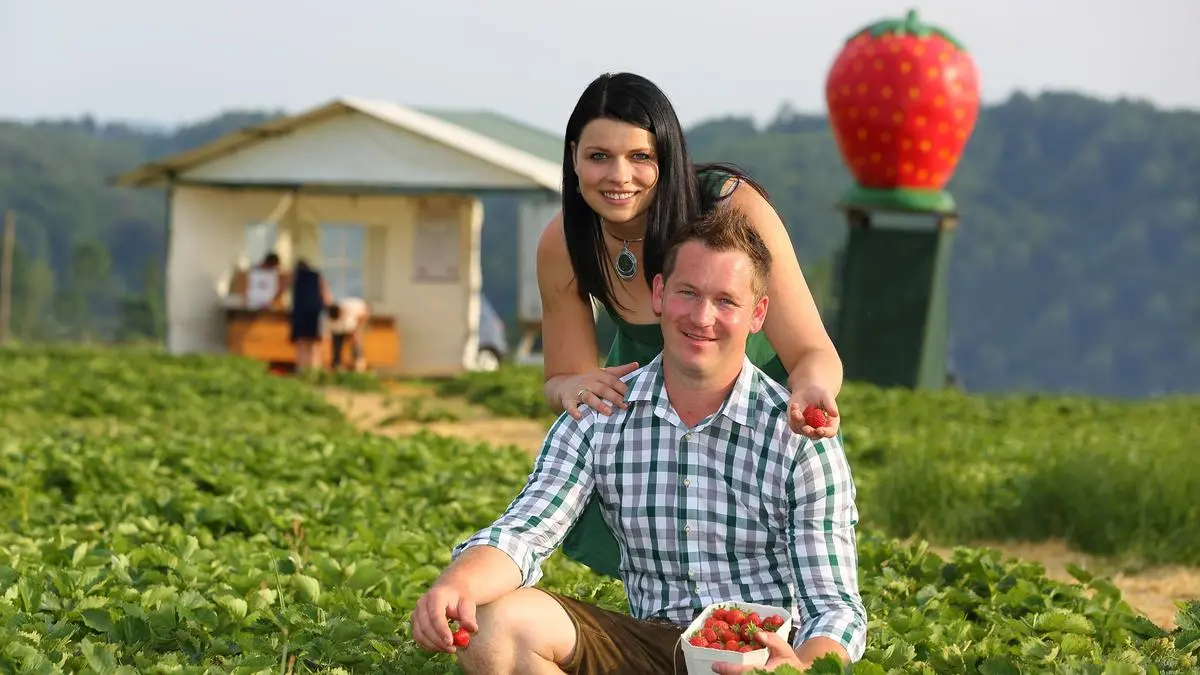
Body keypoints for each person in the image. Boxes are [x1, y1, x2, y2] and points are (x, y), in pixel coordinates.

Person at [412, 207, 866, 675]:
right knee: (493, 626)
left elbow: (834, 608)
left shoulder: (797, 436)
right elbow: (524, 531)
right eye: (687, 292)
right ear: (659, 294)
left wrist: (798, 670)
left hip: (755, 652)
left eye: (726, 301)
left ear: (758, 314)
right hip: (646, 642)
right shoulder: (602, 411)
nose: (702, 316)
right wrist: (457, 584)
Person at [536, 71, 845, 579]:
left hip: (756, 416)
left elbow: (814, 352)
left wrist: (810, 393)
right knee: (665, 582)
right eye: (598, 156)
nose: (619, 176)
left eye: (640, 157)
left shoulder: (729, 206)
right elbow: (561, 379)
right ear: (573, 158)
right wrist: (575, 389)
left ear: (668, 157)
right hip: (654, 418)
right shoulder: (564, 242)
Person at [289, 259, 332, 371]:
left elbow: (281, 289)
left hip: (300, 313)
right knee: (314, 345)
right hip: (315, 313)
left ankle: (302, 370)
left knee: (301, 344)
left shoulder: (295, 277)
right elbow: (326, 297)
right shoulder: (317, 276)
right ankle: (314, 371)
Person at [327, 296, 371, 372]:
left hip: (359, 317)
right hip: (342, 327)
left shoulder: (353, 307)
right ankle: (337, 363)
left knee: (356, 337)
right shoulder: (332, 318)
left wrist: (357, 328)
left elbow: (364, 313)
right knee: (337, 341)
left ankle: (358, 358)